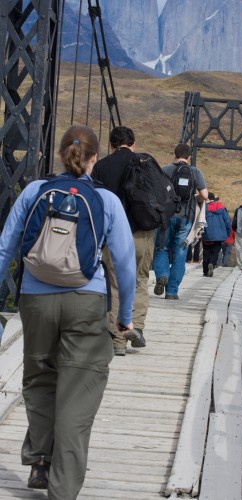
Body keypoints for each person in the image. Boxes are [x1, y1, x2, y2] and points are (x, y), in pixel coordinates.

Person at [0, 125, 136, 499]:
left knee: (40, 378)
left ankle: (41, 460)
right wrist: (125, 316)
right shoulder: (107, 201)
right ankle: (62, 490)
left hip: (35, 299)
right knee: (78, 391)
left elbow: (4, 250)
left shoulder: (33, 191)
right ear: (94, 159)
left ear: (60, 155)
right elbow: (124, 264)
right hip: (86, 301)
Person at [93, 125, 154, 355]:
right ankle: (136, 327)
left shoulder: (101, 167)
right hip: (141, 233)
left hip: (113, 235)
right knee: (139, 280)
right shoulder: (146, 163)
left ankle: (118, 341)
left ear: (111, 145)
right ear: (134, 144)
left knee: (115, 284)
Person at [153, 143, 208, 299]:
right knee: (180, 253)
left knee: (162, 249)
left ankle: (162, 275)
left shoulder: (164, 170)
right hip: (186, 218)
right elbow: (204, 195)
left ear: (174, 154)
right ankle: (171, 291)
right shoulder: (195, 172)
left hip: (167, 217)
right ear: (189, 156)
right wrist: (193, 200)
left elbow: (156, 193)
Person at [202, 192, 231, 277]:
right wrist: (227, 233)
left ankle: (205, 271)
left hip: (206, 234)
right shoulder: (221, 208)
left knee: (206, 252)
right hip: (219, 235)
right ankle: (212, 263)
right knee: (215, 252)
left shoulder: (204, 208)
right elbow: (227, 221)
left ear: (207, 198)